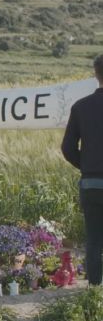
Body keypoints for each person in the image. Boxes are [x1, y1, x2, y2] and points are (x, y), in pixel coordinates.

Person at [61, 54, 103, 286]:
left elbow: (67, 148)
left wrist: (87, 166)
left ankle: (95, 291)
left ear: (96, 74)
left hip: (91, 183)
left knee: (94, 240)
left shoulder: (81, 107)